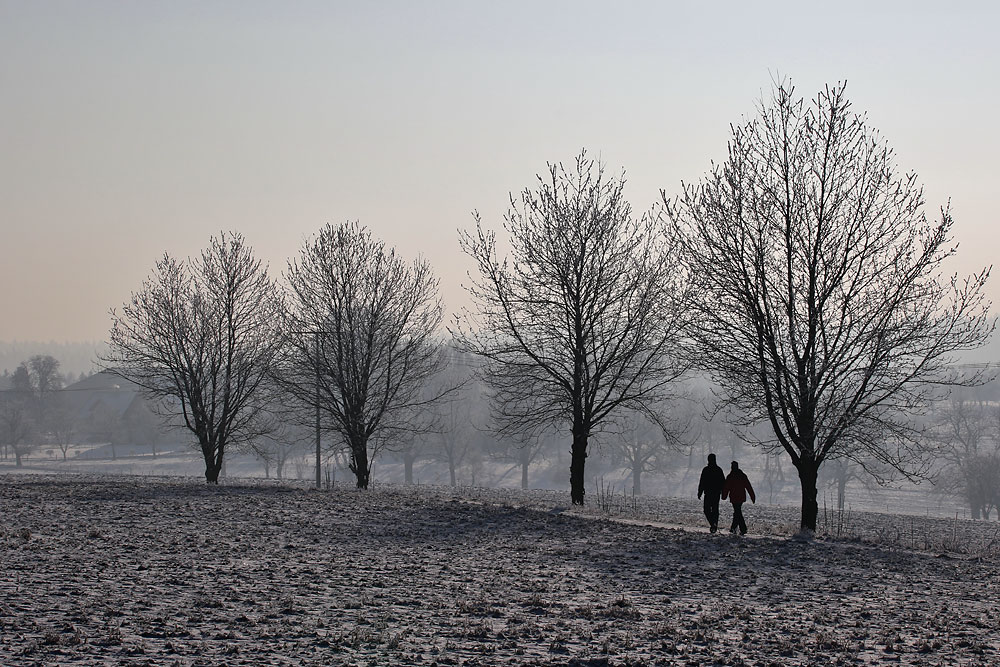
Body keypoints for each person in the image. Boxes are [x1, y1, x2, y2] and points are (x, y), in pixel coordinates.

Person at [721, 461, 756, 535]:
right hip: (741, 497)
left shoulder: (730, 476)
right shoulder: (742, 475)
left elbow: (726, 487)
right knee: (737, 512)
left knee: (737, 512)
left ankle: (741, 529)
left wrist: (724, 496)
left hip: (734, 497)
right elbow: (748, 486)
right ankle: (734, 528)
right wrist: (752, 496)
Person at [697, 453, 726, 532]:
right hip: (716, 493)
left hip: (708, 493)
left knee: (707, 510)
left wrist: (700, 492)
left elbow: (702, 482)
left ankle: (713, 524)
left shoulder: (706, 470)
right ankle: (714, 524)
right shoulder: (719, 470)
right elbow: (723, 483)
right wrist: (723, 493)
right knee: (715, 510)